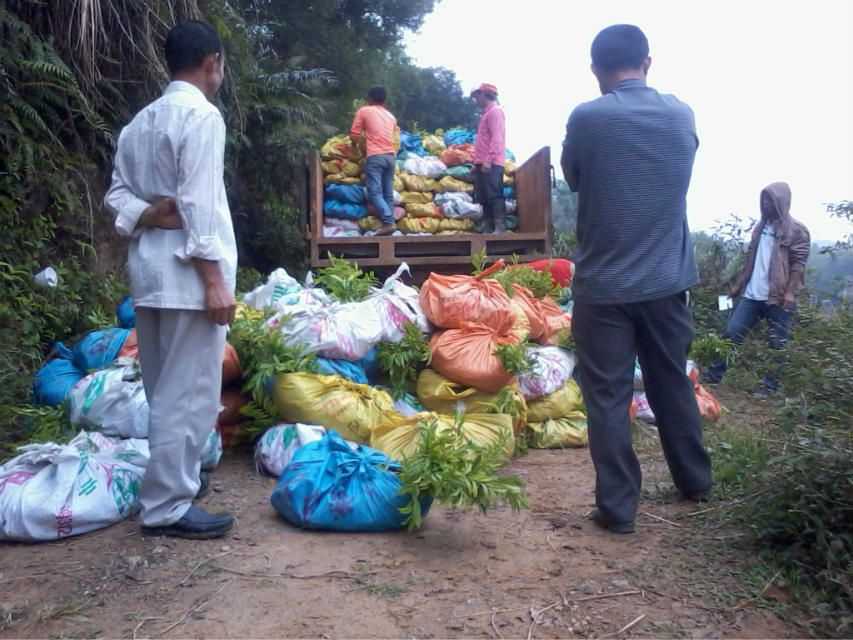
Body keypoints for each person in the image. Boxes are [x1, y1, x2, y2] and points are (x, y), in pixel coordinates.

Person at [561, 24, 712, 534]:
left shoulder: (587, 118)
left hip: (603, 288)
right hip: (668, 283)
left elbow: (576, 179)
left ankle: (619, 510)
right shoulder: (681, 114)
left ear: (596, 71)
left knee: (607, 395)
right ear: (647, 61)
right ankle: (695, 482)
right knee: (671, 381)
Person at [104, 20, 237, 539]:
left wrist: (146, 215)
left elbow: (116, 196)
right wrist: (213, 279)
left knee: (165, 390)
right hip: (187, 278)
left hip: (151, 274)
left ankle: (172, 484)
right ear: (212, 63)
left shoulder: (139, 123)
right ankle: (166, 507)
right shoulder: (201, 118)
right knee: (193, 395)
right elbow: (199, 203)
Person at [704, 183, 810, 392]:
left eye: (770, 200)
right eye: (763, 199)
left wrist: (789, 293)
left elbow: (799, 264)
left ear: (781, 202)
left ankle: (769, 388)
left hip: (777, 298)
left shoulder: (797, 230)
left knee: (777, 344)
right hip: (752, 295)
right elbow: (751, 260)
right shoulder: (760, 228)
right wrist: (738, 286)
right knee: (731, 334)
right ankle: (714, 375)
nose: (765, 204)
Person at [350, 86, 399, 236]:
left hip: (375, 157)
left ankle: (389, 221)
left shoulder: (364, 111)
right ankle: (389, 225)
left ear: (369, 99)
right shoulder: (391, 116)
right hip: (391, 157)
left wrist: (355, 148)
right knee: (387, 194)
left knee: (374, 193)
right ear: (384, 100)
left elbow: (354, 134)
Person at [471, 83, 507, 234]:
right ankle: (488, 225)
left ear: (485, 95)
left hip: (491, 163)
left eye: (477, 96)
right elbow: (483, 141)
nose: (476, 100)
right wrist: (476, 163)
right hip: (482, 162)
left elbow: (497, 139)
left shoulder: (495, 112)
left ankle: (499, 226)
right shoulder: (485, 114)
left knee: (494, 194)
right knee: (483, 196)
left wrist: (489, 160)